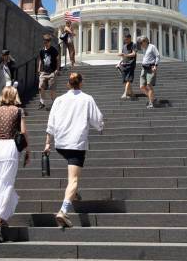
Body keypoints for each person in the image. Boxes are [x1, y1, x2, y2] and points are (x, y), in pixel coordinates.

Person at [44, 73, 104, 228]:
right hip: (76, 144)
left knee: (73, 171)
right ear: (81, 83)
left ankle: (74, 193)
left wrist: (47, 143)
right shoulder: (87, 99)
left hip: (60, 143)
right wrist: (100, 127)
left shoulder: (59, 100)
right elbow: (97, 120)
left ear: (68, 84)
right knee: (74, 179)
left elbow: (51, 123)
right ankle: (63, 211)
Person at [0, 86, 29, 242]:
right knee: (7, 184)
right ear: (14, 95)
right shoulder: (18, 111)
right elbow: (23, 132)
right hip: (10, 147)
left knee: (0, 183)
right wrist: (27, 150)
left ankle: (2, 222)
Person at [38, 34, 60, 110]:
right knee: (41, 86)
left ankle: (54, 103)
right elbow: (41, 60)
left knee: (52, 88)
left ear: (50, 42)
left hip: (52, 72)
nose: (46, 42)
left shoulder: (53, 50)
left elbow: (57, 59)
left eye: (47, 41)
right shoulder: (41, 51)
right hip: (44, 72)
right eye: (45, 41)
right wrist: (39, 69)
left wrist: (57, 69)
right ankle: (42, 102)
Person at [138, 36, 160, 109]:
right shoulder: (145, 49)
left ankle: (151, 102)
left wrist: (155, 65)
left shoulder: (152, 47)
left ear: (146, 41)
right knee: (142, 87)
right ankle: (153, 99)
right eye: (140, 43)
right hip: (144, 69)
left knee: (149, 85)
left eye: (141, 43)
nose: (140, 44)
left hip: (151, 68)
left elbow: (157, 56)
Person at [118, 34, 137, 99]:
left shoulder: (133, 45)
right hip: (124, 64)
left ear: (130, 38)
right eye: (124, 39)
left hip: (131, 64)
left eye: (126, 39)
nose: (125, 40)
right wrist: (119, 63)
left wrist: (125, 55)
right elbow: (124, 57)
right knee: (125, 80)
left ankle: (125, 93)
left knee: (128, 79)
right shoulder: (124, 46)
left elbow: (134, 54)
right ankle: (131, 93)